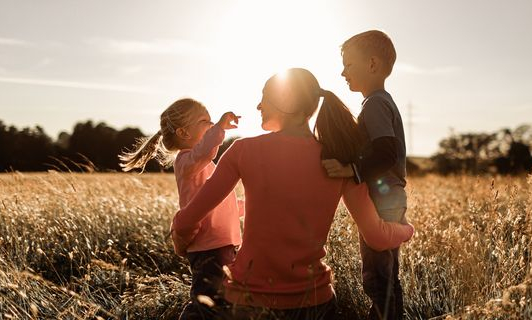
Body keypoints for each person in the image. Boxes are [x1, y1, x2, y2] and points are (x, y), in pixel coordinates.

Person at [172, 68, 414, 320]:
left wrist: (181, 242)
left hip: (247, 304)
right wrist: (407, 230)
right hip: (316, 306)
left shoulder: (242, 151)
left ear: (285, 101)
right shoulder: (338, 161)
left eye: (264, 97)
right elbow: (376, 237)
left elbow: (187, 219)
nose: (257, 106)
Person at [118, 98, 243, 319]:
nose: (212, 123)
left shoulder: (201, 164)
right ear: (184, 133)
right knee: (207, 304)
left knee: (221, 301)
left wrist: (251, 205)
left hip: (222, 244)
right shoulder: (186, 162)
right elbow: (205, 152)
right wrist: (220, 128)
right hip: (208, 248)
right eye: (205, 121)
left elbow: (221, 202)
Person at [321, 30, 408, 320]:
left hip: (383, 199)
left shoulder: (374, 105)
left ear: (372, 65)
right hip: (391, 198)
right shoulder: (380, 101)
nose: (342, 72)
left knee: (377, 277)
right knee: (387, 276)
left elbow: (386, 153)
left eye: (348, 64)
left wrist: (351, 169)